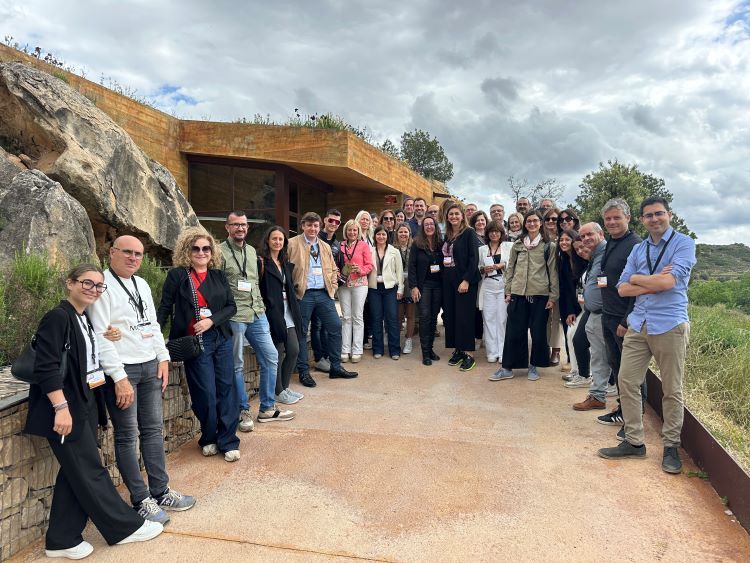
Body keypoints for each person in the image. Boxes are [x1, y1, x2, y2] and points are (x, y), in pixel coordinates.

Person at [25, 264, 163, 559]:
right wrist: (61, 408)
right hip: (65, 408)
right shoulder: (58, 317)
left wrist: (111, 336)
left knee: (73, 473)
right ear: (70, 283)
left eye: (99, 286)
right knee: (91, 470)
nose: (94, 290)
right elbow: (46, 367)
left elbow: (86, 358)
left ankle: (61, 539)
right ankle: (125, 528)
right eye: (87, 283)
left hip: (84, 404)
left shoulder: (83, 317)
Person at [88, 236, 195, 525]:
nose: (133, 258)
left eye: (138, 254)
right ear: (112, 253)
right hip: (123, 370)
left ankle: (160, 491)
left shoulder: (142, 284)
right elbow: (101, 336)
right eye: (127, 252)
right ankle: (140, 499)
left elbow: (152, 325)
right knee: (127, 435)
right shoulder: (103, 287)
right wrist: (119, 378)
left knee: (153, 431)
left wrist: (163, 358)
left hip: (149, 366)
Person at [598, 197, 696, 474]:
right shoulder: (639, 249)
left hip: (670, 324)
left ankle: (671, 446)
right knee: (627, 380)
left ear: (669, 215)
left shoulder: (683, 244)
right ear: (641, 220)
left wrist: (639, 279)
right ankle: (634, 441)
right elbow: (622, 288)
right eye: (649, 215)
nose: (654, 219)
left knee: (672, 389)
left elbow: (669, 282)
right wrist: (650, 281)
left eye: (659, 214)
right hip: (639, 324)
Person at [157, 228, 242, 461]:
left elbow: (231, 307)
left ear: (212, 252)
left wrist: (211, 320)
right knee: (205, 392)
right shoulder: (178, 275)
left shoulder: (218, 276)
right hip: (194, 342)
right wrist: (154, 338)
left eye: (206, 248)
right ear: (187, 250)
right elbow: (165, 307)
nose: (201, 252)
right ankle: (209, 437)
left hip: (220, 338)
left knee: (226, 388)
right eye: (196, 248)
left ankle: (228, 440)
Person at [220, 211, 293, 430]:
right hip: (235, 316)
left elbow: (255, 282)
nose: (240, 228)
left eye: (243, 224)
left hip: (257, 313)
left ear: (247, 227)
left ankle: (267, 408)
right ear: (227, 227)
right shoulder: (219, 252)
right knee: (237, 364)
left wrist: (261, 306)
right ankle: (242, 410)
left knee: (271, 357)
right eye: (235, 224)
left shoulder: (252, 252)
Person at [287, 212, 358, 386]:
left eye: (315, 225)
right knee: (302, 332)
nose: (312, 228)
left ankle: (336, 367)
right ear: (303, 226)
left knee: (335, 326)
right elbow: (285, 268)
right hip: (303, 294)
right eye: (309, 225)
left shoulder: (324, 246)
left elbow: (333, 269)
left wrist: (332, 286)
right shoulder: (292, 243)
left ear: (319, 227)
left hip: (323, 294)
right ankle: (303, 371)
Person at [494, 210, 559, 381]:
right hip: (518, 293)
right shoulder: (518, 245)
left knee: (538, 333)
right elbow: (510, 269)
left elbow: (553, 271)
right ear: (525, 224)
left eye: (535, 220)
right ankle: (507, 367)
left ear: (541, 223)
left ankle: (534, 366)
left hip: (539, 294)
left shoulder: (548, 246)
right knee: (514, 331)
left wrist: (553, 296)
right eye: (529, 221)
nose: (532, 224)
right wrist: (508, 290)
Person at [597, 198, 643, 429]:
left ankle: (635, 421)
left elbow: (639, 288)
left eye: (617, 217)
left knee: (631, 372)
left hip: (624, 318)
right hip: (608, 313)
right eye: (608, 219)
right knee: (617, 367)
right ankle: (623, 410)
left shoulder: (636, 245)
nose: (612, 222)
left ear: (628, 218)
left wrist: (626, 320)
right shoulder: (612, 242)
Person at [257, 226, 305, 406]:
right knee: (276, 353)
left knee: (294, 350)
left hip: (288, 311)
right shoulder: (261, 262)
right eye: (274, 238)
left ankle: (284, 388)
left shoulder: (284, 261)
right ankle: (278, 391)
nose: (277, 242)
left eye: (280, 239)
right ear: (268, 240)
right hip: (272, 312)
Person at [571, 222, 610, 411]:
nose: (585, 239)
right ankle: (597, 396)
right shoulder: (595, 256)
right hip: (593, 313)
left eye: (589, 234)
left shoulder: (607, 253)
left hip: (605, 315)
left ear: (600, 234)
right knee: (598, 357)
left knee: (610, 357)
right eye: (583, 236)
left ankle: (619, 403)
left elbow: (608, 283)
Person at [442, 203, 480, 371]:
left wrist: (466, 280)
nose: (454, 217)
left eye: (457, 214)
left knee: (465, 317)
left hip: (464, 281)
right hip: (448, 281)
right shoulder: (448, 235)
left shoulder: (469, 233)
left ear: (462, 216)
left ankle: (469, 354)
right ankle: (458, 350)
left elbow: (474, 258)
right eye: (451, 214)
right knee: (451, 316)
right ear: (447, 217)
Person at [554, 230, 587, 389]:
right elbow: (566, 289)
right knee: (570, 336)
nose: (564, 242)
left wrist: (573, 310)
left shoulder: (582, 259)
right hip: (573, 306)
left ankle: (584, 372)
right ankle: (576, 370)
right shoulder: (563, 260)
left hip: (585, 306)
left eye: (568, 239)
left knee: (577, 338)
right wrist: (570, 310)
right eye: (561, 240)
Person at [409, 216, 443, 365]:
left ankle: (430, 349)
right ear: (422, 228)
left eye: (431, 224)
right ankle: (425, 353)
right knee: (424, 316)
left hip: (438, 285)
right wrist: (413, 286)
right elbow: (411, 266)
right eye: (426, 224)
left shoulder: (440, 243)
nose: (429, 226)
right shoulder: (417, 244)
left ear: (435, 226)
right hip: (423, 286)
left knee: (433, 317)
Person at [338, 219, 373, 363]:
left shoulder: (363, 245)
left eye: (355, 230)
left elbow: (370, 265)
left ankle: (357, 349)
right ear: (345, 231)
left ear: (358, 232)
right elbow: (335, 263)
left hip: (359, 283)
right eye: (349, 230)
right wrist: (337, 272)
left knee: (357, 316)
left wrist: (361, 270)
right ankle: (345, 349)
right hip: (344, 284)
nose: (352, 232)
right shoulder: (339, 245)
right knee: (346, 317)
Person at [368, 224, 404, 359]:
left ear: (387, 236)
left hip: (390, 289)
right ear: (375, 236)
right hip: (374, 289)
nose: (381, 236)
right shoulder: (369, 250)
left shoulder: (394, 251)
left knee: (392, 319)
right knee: (376, 318)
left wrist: (400, 288)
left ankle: (394, 350)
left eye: (384, 234)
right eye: (378, 234)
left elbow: (399, 272)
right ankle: (377, 348)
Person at [314, 209, 342, 374]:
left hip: (328, 290)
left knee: (329, 325)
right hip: (314, 288)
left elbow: (338, 265)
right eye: (331, 220)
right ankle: (319, 358)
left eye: (337, 222)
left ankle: (327, 356)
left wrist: (338, 274)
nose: (333, 224)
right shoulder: (315, 238)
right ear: (325, 220)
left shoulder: (337, 244)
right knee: (317, 325)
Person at [479, 220, 509, 369]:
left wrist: (502, 265)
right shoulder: (482, 249)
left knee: (502, 319)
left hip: (503, 285)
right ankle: (492, 352)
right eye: (491, 231)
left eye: (497, 231)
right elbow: (478, 267)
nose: (494, 234)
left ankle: (503, 351)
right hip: (488, 286)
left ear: (501, 233)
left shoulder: (508, 246)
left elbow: (514, 264)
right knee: (488, 318)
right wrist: (483, 269)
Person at [543, 208, 563, 365]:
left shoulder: (564, 238)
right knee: (544, 318)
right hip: (543, 282)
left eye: (554, 219)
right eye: (547, 219)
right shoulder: (540, 239)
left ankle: (556, 350)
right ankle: (545, 348)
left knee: (556, 317)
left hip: (562, 282)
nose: (551, 222)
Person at [394, 222, 417, 354]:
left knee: (410, 314)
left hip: (411, 284)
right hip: (397, 285)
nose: (403, 234)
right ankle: (396, 339)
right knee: (398, 315)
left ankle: (408, 339)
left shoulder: (415, 247)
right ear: (397, 234)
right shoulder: (392, 248)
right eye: (400, 232)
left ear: (409, 233)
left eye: (405, 232)